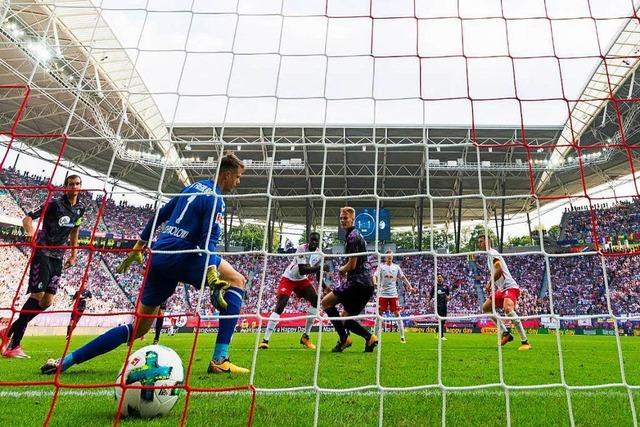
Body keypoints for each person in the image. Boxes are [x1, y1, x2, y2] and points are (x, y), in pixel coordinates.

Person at [41, 153, 250, 374]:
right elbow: (207, 241)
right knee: (237, 280)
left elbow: (160, 214)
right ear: (227, 174)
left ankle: (67, 361)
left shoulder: (192, 188)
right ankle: (220, 359)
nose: (238, 182)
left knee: (138, 329)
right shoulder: (217, 199)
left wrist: (139, 245)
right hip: (184, 254)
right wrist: (211, 273)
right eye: (237, 177)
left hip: (159, 255)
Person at [1, 175, 85, 358]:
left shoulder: (80, 209)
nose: (74, 187)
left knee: (46, 302)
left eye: (77, 184)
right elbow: (27, 219)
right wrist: (31, 232)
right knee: (37, 296)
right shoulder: (55, 204)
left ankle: (6, 333)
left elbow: (75, 230)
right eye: (71, 184)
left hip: (58, 258)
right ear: (65, 187)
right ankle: (14, 345)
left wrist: (73, 254)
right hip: (43, 253)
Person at [321, 207, 377, 353]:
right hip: (367, 284)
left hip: (357, 283)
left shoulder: (352, 237)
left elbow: (351, 265)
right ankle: (369, 338)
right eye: (341, 218)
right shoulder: (357, 235)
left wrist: (341, 269)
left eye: (345, 218)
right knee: (345, 319)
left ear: (353, 219)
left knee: (326, 302)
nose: (343, 221)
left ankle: (344, 339)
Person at [259, 232, 327, 350]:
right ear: (308, 240)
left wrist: (325, 286)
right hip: (289, 278)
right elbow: (302, 270)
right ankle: (265, 340)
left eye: (316, 241)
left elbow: (318, 273)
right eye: (312, 240)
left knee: (316, 300)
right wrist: (319, 268)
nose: (314, 242)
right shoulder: (301, 248)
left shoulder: (319, 254)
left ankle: (305, 337)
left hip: (301, 281)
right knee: (281, 304)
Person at [479, 234, 531, 351]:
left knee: (508, 309)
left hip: (509, 286)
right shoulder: (489, 256)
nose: (479, 244)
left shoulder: (492, 253)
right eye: (479, 241)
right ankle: (505, 333)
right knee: (486, 307)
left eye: (481, 241)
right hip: (501, 289)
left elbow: (499, 270)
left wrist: (490, 283)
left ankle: (525, 341)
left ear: (488, 242)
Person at [373, 250, 414, 343]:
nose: (390, 257)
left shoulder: (396, 267)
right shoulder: (381, 267)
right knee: (379, 315)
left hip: (393, 295)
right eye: (388, 256)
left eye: (391, 256)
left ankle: (402, 336)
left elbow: (403, 278)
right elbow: (374, 276)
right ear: (385, 257)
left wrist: (410, 287)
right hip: (382, 294)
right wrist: (375, 283)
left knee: (397, 314)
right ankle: (374, 337)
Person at [431, 274, 450, 340]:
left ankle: (436, 331)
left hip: (444, 306)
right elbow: (431, 296)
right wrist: (429, 303)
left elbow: (448, 296)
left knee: (443, 321)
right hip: (438, 306)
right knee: (440, 320)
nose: (439, 278)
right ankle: (441, 336)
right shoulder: (435, 287)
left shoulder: (446, 287)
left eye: (440, 277)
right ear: (436, 279)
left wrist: (448, 298)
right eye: (438, 277)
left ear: (442, 279)